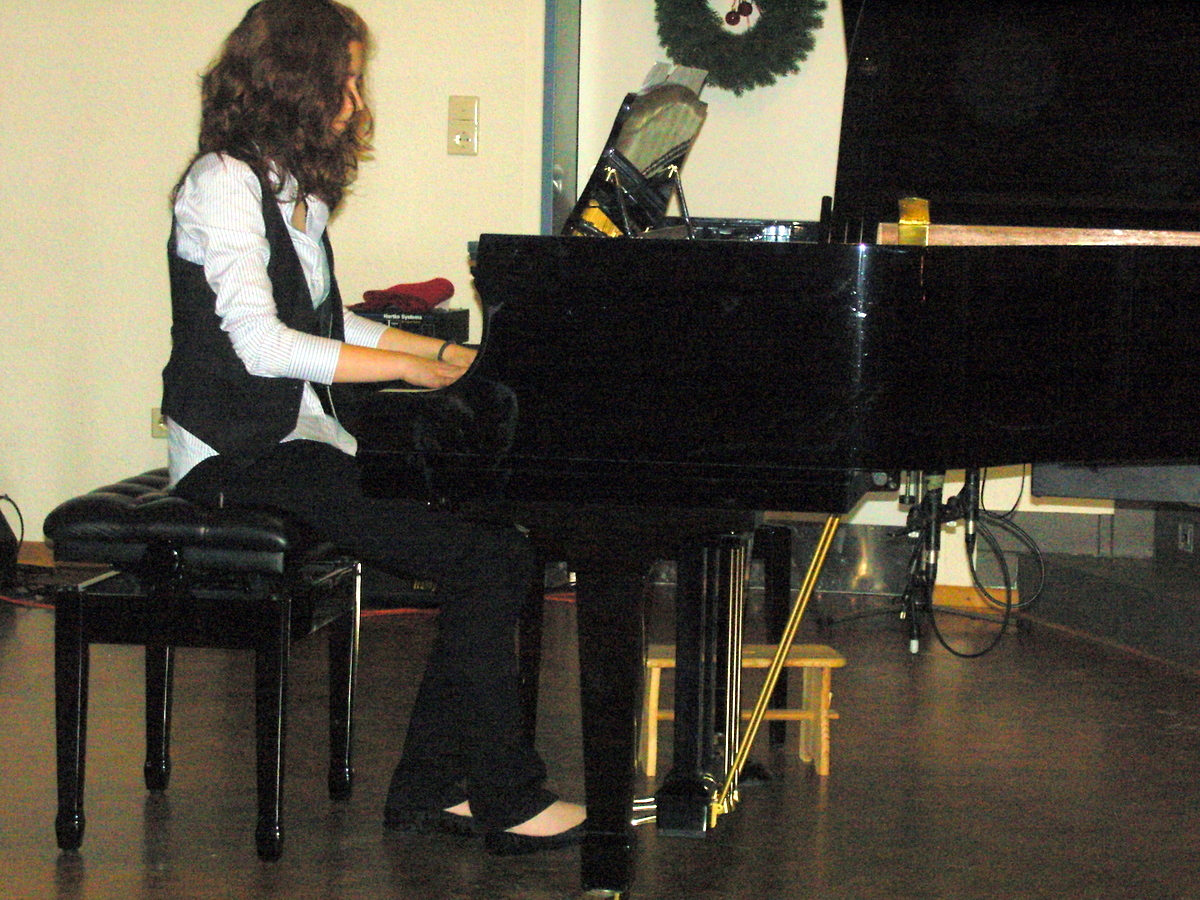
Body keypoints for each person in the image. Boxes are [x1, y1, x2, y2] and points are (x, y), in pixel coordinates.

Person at [161, 0, 585, 855]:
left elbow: (325, 320)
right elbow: (262, 345)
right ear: (292, 83)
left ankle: (434, 787)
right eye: (345, 82)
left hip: (296, 440)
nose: (356, 102)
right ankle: (500, 796)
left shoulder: (291, 189)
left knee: (497, 551)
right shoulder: (222, 183)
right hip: (236, 456)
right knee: (483, 558)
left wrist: (444, 354)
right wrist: (412, 369)